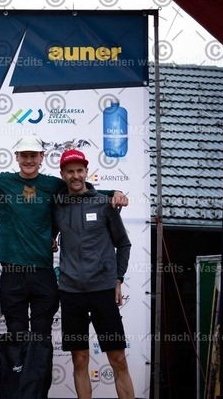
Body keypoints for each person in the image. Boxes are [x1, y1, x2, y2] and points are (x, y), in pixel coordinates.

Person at [0, 135, 128, 397]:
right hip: (38, 282)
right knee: (26, 344)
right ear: (17, 157)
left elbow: (89, 194)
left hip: (72, 283)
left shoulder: (58, 187)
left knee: (46, 343)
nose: (29, 160)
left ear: (42, 157)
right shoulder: (4, 182)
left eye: (34, 155)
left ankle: (38, 394)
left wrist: (114, 193)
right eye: (24, 155)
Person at [53, 149, 134, 399]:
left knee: (118, 358)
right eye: (70, 171)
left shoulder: (104, 203)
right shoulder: (57, 206)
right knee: (79, 359)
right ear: (63, 175)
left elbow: (123, 244)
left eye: (80, 170)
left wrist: (118, 278)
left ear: (87, 172)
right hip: (71, 292)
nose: (75, 176)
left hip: (102, 290)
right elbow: (48, 234)